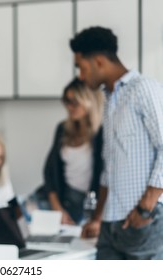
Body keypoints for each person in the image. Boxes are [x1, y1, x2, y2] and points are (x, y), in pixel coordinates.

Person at [70, 26, 163, 259]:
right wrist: (98, 217)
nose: (80, 76)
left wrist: (145, 208)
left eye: (82, 68)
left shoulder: (143, 89)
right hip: (111, 224)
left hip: (143, 221)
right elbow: (109, 169)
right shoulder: (111, 100)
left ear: (99, 61)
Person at [31, 78, 104, 225]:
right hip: (61, 198)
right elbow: (50, 172)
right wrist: (58, 209)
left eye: (74, 102)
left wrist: (97, 216)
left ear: (89, 101)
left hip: (88, 203)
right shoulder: (63, 129)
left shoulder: (102, 134)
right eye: (66, 101)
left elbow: (105, 177)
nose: (69, 107)